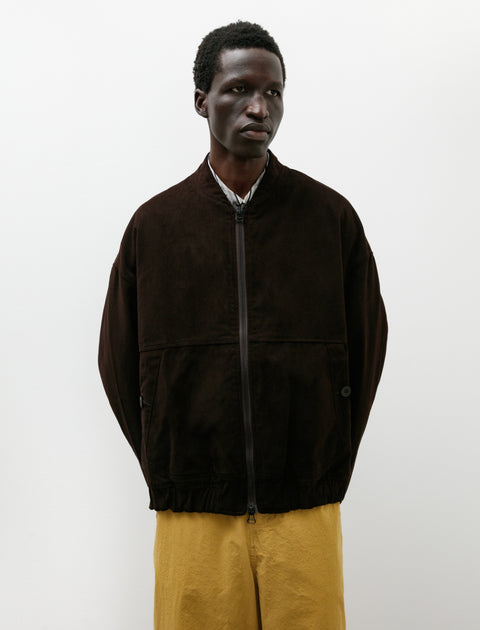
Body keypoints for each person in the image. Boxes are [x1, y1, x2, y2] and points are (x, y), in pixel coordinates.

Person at [98, 20, 387, 630]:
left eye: (273, 91)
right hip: (194, 511)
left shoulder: (329, 220)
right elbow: (117, 362)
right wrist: (171, 464)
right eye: (239, 89)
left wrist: (325, 458)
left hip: (303, 506)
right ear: (201, 100)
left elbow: (367, 349)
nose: (260, 107)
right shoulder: (155, 228)